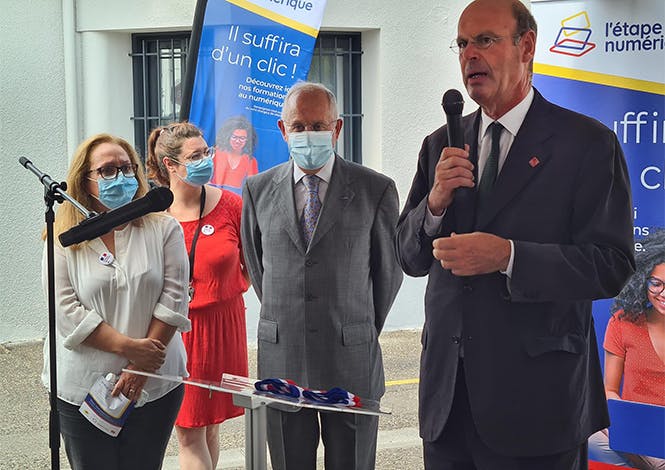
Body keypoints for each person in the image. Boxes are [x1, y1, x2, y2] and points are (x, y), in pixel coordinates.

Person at [395, 1, 636, 468]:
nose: (469, 56)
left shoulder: (586, 144)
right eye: (462, 43)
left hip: (538, 405)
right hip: (448, 404)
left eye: (485, 40)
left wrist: (508, 256)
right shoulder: (439, 145)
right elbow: (410, 257)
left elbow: (612, 265)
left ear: (526, 46)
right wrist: (435, 204)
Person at [241, 81, 403, 470]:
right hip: (283, 357)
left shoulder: (374, 189)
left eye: (318, 125)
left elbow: (387, 274)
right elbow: (258, 266)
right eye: (299, 127)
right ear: (283, 130)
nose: (308, 134)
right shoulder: (257, 189)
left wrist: (356, 325)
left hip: (351, 357)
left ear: (338, 128)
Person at [42, 133, 191, 469]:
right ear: (84, 180)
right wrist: (129, 347)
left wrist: (140, 366)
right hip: (82, 387)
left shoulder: (163, 228)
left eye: (127, 168)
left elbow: (174, 296)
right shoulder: (64, 239)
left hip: (154, 383)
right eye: (107, 170)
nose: (120, 177)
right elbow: (64, 310)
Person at [146, 122, 249, 470]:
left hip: (224, 326)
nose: (205, 160)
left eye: (207, 152)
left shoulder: (232, 206)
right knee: (188, 431)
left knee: (209, 430)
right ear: (170, 166)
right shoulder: (153, 217)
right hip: (178, 331)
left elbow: (251, 262)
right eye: (195, 156)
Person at [588, 231, 665, 469]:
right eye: (657, 283)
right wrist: (624, 426)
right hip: (634, 433)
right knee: (585, 438)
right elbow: (610, 390)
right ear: (644, 280)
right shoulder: (624, 322)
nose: (663, 294)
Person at [211, 115, 258, 195]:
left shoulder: (251, 161)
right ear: (228, 137)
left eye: (242, 138)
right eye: (234, 137)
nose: (237, 141)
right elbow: (204, 179)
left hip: (236, 200)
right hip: (214, 196)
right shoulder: (216, 153)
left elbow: (252, 188)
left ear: (248, 140)